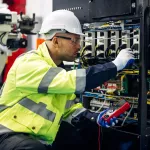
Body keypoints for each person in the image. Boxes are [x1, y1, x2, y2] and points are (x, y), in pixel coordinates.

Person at [0, 10, 134, 150]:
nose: (79, 46)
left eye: (79, 40)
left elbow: (70, 110)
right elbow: (71, 80)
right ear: (56, 40)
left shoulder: (57, 70)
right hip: (8, 135)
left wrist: (96, 117)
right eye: (74, 40)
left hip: (36, 137)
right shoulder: (29, 63)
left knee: (76, 140)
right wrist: (115, 65)